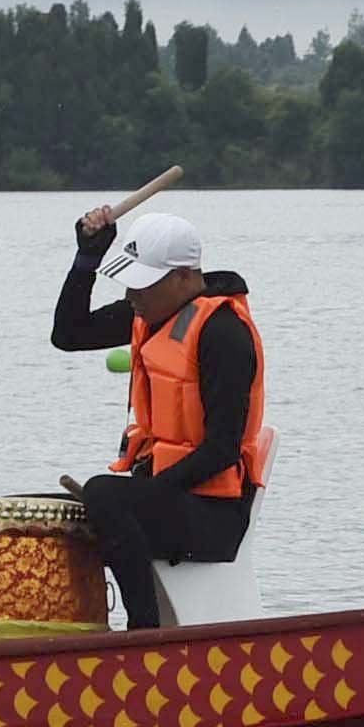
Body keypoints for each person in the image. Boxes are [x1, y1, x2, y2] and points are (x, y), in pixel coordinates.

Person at [48, 201, 267, 631]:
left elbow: (222, 448)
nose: (131, 296)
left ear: (185, 276)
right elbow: (67, 334)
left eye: (141, 285)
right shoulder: (148, 312)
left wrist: (143, 496)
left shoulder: (223, 334)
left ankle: (143, 633)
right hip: (169, 499)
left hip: (215, 515)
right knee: (56, 513)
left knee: (106, 496)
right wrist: (87, 258)